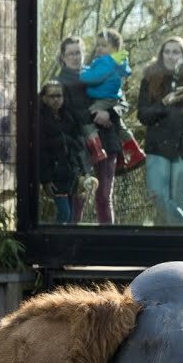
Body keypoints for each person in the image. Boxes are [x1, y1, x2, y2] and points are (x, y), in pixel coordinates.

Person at [55, 36, 128, 224]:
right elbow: (63, 117)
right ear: (63, 57)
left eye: (78, 52)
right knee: (79, 197)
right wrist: (92, 115)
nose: (75, 57)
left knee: (104, 196)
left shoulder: (97, 71)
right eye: (70, 53)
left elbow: (121, 101)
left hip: (107, 140)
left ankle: (108, 242)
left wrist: (108, 112)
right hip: (78, 147)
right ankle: (73, 242)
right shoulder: (58, 84)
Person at [136, 37, 183, 226]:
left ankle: (174, 248)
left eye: (176, 52)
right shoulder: (149, 79)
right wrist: (164, 102)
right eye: (167, 52)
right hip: (157, 147)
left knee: (177, 202)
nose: (171, 56)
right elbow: (143, 115)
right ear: (161, 55)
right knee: (157, 194)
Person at [36, 80, 91, 225]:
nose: (56, 100)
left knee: (71, 215)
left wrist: (85, 172)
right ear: (44, 98)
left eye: (59, 96)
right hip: (55, 175)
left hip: (71, 173)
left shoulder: (69, 117)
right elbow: (41, 153)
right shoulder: (39, 120)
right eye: (52, 96)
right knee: (64, 214)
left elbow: (80, 148)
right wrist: (46, 180)